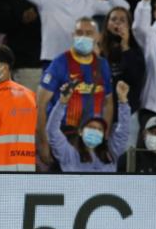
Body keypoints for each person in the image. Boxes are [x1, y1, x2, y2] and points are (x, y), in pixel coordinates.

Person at [37, 17, 114, 165]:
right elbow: (40, 105)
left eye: (89, 33)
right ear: (73, 35)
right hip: (64, 138)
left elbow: (108, 103)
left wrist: (105, 136)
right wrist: (43, 143)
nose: (83, 37)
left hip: (93, 142)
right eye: (79, 32)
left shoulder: (103, 65)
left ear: (98, 37)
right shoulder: (60, 63)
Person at [47, 81, 130, 172]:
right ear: (80, 131)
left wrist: (123, 101)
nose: (95, 131)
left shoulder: (110, 154)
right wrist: (62, 102)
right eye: (91, 127)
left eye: (99, 129)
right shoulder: (68, 154)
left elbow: (123, 132)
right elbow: (52, 130)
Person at [99, 7, 145, 142]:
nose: (117, 23)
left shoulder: (135, 49)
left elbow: (136, 78)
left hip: (127, 115)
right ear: (107, 23)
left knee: (125, 160)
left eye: (122, 20)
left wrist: (125, 46)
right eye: (113, 19)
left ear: (129, 26)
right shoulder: (98, 49)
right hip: (101, 114)